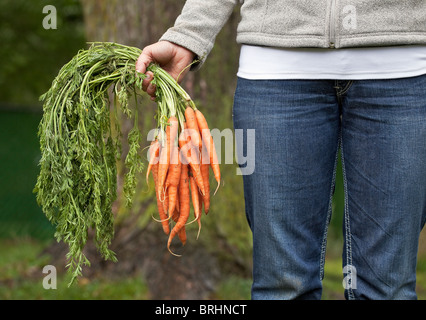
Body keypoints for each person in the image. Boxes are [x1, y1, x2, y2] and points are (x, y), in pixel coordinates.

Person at [136, 0, 426, 300]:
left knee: (388, 290)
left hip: (406, 69)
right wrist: (189, 34)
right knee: (283, 288)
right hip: (275, 72)